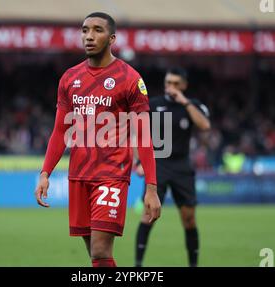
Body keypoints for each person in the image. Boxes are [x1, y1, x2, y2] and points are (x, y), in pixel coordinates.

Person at [34, 12, 161, 267]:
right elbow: (60, 131)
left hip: (112, 173)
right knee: (95, 254)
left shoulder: (130, 79)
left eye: (97, 30)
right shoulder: (70, 78)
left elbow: (143, 135)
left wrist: (151, 187)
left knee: (101, 250)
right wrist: (45, 172)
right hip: (79, 174)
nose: (89, 36)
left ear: (112, 38)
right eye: (84, 30)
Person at [134, 67, 211, 267]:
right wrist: (138, 162)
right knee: (147, 216)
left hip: (182, 166)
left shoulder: (191, 106)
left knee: (189, 219)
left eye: (176, 84)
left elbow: (205, 126)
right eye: (169, 83)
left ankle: (193, 264)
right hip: (158, 164)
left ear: (184, 86)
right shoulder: (154, 105)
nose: (171, 87)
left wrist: (185, 102)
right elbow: (139, 134)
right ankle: (138, 265)